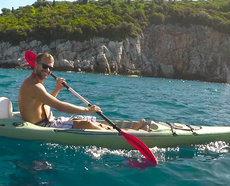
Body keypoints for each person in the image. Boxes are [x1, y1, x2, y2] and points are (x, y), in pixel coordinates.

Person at [18, 52, 148, 130]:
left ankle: (125, 130)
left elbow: (43, 102)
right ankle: (124, 134)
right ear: (36, 64)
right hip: (42, 126)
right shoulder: (33, 85)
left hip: (51, 121)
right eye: (44, 66)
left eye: (50, 68)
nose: (47, 70)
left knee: (91, 121)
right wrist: (87, 109)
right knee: (86, 123)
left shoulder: (36, 82)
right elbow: (59, 106)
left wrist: (57, 89)